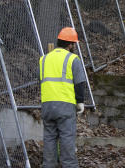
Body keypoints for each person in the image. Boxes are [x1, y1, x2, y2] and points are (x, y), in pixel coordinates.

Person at [39, 27, 90, 168]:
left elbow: (42, 80)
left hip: (47, 106)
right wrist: (80, 102)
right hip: (65, 106)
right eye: (74, 44)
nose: (74, 47)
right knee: (66, 138)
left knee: (49, 138)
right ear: (70, 44)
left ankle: (49, 165)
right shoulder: (73, 59)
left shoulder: (43, 59)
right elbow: (80, 82)